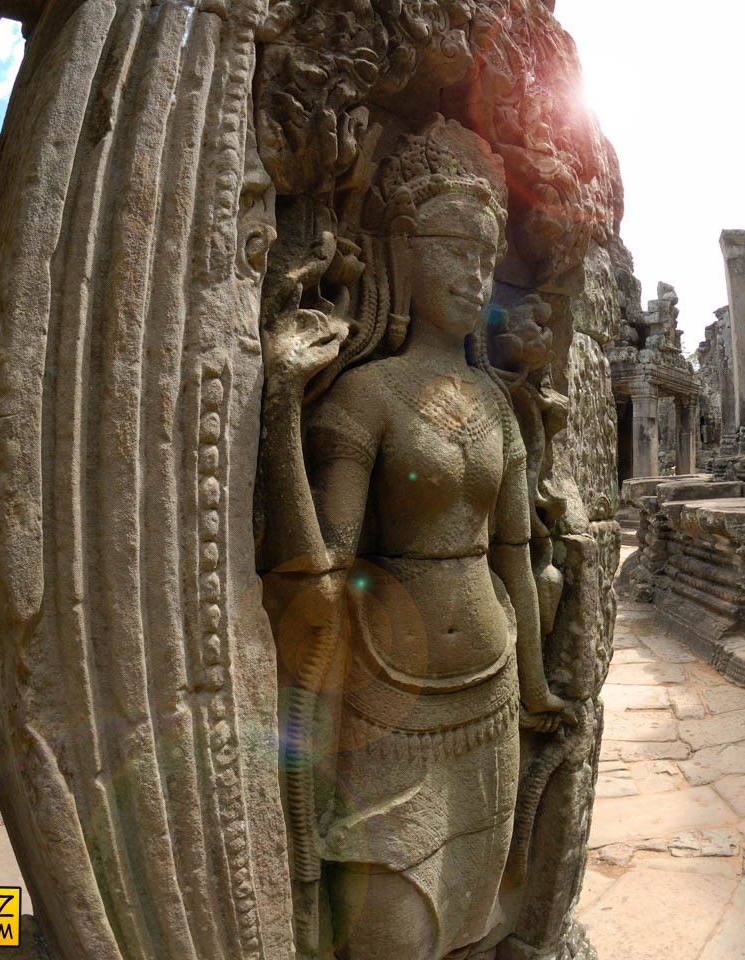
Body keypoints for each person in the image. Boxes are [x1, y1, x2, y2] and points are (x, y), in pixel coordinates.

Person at [259, 117, 569, 960]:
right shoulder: (365, 396)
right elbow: (316, 575)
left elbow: (514, 559)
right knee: (387, 934)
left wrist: (538, 688)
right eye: (453, 249)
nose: (474, 274)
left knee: (471, 922)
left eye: (486, 255)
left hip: (492, 694)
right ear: (400, 252)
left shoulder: (496, 402)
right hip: (389, 702)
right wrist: (282, 404)